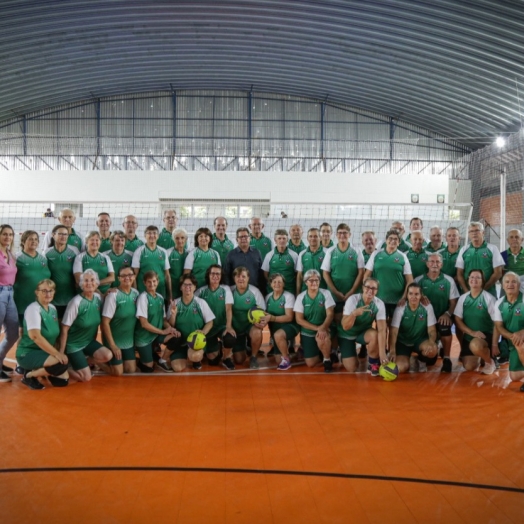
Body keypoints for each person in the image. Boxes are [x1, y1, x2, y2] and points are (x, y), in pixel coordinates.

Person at [59, 269, 113, 382]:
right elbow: (64, 329)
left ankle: (84, 360)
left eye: (92, 280)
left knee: (107, 355)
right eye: (86, 280)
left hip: (88, 342)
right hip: (74, 344)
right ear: (81, 284)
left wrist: (110, 292)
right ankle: (57, 368)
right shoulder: (76, 302)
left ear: (97, 283)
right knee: (86, 378)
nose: (89, 283)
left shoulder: (98, 298)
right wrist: (61, 353)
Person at [16, 279, 69, 389]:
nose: (48, 294)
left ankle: (40, 371)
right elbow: (35, 336)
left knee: (62, 381)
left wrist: (58, 352)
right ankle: (29, 376)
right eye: (44, 291)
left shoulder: (53, 309)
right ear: (37, 292)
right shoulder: (33, 309)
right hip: (27, 353)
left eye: (50, 290)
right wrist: (57, 354)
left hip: (43, 352)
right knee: (60, 363)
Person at [415, 253, 460, 373]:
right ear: (427, 263)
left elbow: (454, 302)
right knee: (429, 360)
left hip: (441, 317)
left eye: (437, 262)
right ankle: (428, 350)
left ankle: (446, 358)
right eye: (432, 261)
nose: (434, 264)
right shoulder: (418, 280)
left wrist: (448, 314)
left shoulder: (448, 280)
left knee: (445, 326)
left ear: (442, 264)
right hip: (423, 320)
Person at [166, 274, 215, 371]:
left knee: (194, 356)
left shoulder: (201, 303)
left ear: (194, 287)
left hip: (195, 342)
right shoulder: (175, 303)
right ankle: (183, 355)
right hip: (180, 342)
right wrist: (173, 314)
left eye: (190, 285)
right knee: (177, 368)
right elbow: (171, 326)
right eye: (185, 285)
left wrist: (203, 332)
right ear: (180, 287)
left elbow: (210, 322)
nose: (187, 287)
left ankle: (196, 360)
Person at [339, 277, 387, 374]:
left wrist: (382, 354)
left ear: (377, 291)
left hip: (363, 332)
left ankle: (373, 364)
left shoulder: (379, 304)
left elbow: (382, 329)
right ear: (363, 288)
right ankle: (346, 353)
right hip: (347, 334)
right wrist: (353, 314)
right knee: (352, 368)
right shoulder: (353, 300)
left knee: (375, 334)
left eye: (373, 288)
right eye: (367, 287)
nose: (370, 290)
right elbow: (345, 326)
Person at [454, 270, 498, 375]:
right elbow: (457, 319)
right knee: (469, 367)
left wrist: (495, 344)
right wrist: (472, 333)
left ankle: (489, 361)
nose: (474, 280)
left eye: (478, 277)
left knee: (476, 345)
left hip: (485, 336)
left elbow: (497, 323)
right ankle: (482, 356)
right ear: (468, 280)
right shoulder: (463, 298)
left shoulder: (489, 298)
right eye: (472, 277)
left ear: (482, 281)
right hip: (469, 336)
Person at [134, 270, 179, 373]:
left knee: (176, 336)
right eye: (149, 282)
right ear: (144, 283)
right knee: (148, 368)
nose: (152, 284)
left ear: (158, 282)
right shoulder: (143, 298)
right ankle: (140, 358)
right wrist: (163, 332)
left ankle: (161, 359)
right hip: (144, 337)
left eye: (154, 281)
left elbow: (163, 320)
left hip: (155, 335)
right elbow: (144, 324)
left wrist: (171, 329)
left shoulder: (159, 298)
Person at [364, 229, 413, 322]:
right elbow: (366, 276)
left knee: (393, 327)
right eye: (390, 238)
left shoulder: (403, 257)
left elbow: (410, 280)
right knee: (380, 327)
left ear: (399, 243)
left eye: (396, 239)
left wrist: (404, 297)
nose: (393, 241)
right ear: (386, 241)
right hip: (378, 298)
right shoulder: (376, 254)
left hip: (397, 300)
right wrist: (368, 293)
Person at [389, 282, 438, 373]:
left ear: (421, 295)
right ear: (407, 295)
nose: (413, 297)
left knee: (433, 350)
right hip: (403, 342)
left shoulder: (427, 307)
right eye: (410, 293)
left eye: (416, 294)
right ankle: (405, 357)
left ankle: (421, 360)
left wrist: (431, 343)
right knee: (401, 368)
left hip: (419, 341)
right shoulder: (400, 308)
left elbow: (432, 330)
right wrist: (392, 350)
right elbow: (393, 332)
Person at [294, 269, 335, 372]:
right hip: (308, 331)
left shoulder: (325, 294)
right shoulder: (301, 297)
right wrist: (317, 328)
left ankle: (327, 360)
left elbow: (330, 314)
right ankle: (322, 351)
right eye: (311, 280)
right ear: (305, 282)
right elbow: (299, 319)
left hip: (324, 328)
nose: (314, 283)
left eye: (316, 280)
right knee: (310, 363)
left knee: (322, 337)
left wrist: (323, 327)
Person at [195, 265, 236, 370]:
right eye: (212, 273)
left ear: (221, 276)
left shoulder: (225, 289)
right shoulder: (200, 292)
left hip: (221, 326)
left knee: (229, 338)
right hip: (207, 329)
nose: (215, 276)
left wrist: (228, 326)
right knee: (213, 361)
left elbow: (228, 309)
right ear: (208, 275)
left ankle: (226, 358)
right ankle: (216, 347)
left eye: (218, 274)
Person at [101, 267, 140, 375]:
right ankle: (95, 360)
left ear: (134, 277)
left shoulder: (136, 294)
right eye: (123, 276)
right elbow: (105, 322)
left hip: (128, 342)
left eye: (130, 275)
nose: (127, 278)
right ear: (119, 278)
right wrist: (113, 345)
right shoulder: (113, 295)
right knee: (118, 372)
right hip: (114, 341)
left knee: (131, 369)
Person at [321, 223, 364, 316]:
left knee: (352, 318)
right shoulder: (330, 251)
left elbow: (361, 272)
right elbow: (325, 273)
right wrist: (335, 292)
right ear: (336, 235)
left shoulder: (357, 250)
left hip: (353, 294)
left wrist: (352, 291)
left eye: (345, 233)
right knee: (336, 319)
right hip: (335, 294)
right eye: (340, 233)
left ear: (349, 235)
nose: (342, 235)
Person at [230, 266, 267, 368]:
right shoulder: (230, 291)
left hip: (250, 326)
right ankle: (244, 347)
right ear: (234, 278)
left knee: (257, 331)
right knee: (239, 360)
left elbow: (263, 312)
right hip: (236, 328)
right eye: (238, 276)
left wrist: (260, 322)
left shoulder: (255, 292)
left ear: (248, 278)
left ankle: (254, 357)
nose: (240, 279)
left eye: (243, 276)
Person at [456, 221, 504, 298]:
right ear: (468, 234)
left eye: (477, 230)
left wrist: (483, 290)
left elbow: (498, 273)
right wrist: (466, 291)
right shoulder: (463, 250)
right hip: (468, 293)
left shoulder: (493, 249)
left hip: (488, 293)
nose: (474, 233)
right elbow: (459, 273)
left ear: (483, 233)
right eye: (471, 231)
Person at [494, 272, 524, 392]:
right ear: (502, 285)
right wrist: (513, 336)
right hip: (514, 342)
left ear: (519, 284)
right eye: (507, 282)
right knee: (514, 377)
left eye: (514, 282)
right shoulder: (499, 303)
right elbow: (499, 327)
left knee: (520, 344)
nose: (510, 284)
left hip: (521, 340)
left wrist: (521, 333)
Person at [14, 230, 51, 325]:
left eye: (36, 239)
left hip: (40, 301)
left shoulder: (43, 258)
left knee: (40, 331)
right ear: (23, 241)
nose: (34, 241)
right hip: (23, 301)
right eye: (30, 239)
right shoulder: (17, 257)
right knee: (23, 332)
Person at [264, 273, 299, 370]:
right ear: (271, 284)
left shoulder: (288, 296)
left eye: (280, 282)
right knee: (277, 360)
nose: (277, 284)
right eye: (274, 282)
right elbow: (265, 315)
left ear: (284, 284)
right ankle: (291, 354)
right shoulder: (268, 297)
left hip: (290, 326)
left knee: (278, 335)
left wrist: (272, 318)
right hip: (276, 330)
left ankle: (287, 359)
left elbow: (289, 317)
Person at [44, 225, 79, 319]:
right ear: (53, 235)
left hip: (70, 296)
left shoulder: (74, 251)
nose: (63, 236)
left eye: (65, 234)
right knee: (56, 327)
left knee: (69, 326)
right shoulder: (47, 252)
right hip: (53, 297)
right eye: (60, 234)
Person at [132, 225, 171, 302]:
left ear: (158, 236)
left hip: (160, 290)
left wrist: (170, 295)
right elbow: (134, 276)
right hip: (143, 291)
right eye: (149, 233)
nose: (152, 235)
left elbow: (167, 275)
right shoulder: (139, 251)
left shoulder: (163, 252)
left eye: (154, 233)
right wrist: (135, 294)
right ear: (145, 236)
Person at [0, 224, 19, 382]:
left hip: (10, 294)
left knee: (13, 333)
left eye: (10, 234)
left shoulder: (11, 255)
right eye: (4, 234)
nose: (8, 237)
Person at [262, 229, 298, 294]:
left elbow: (297, 273)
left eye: (284, 238)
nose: (282, 240)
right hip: (273, 290)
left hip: (289, 290)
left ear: (287, 240)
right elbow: (265, 273)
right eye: (279, 238)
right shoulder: (269, 255)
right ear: (275, 240)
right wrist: (274, 284)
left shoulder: (294, 255)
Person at [296, 227, 326, 294]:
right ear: (307, 238)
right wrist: (298, 293)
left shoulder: (326, 253)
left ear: (320, 238)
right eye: (310, 236)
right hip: (305, 291)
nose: (313, 238)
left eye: (315, 236)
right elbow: (299, 275)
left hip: (322, 290)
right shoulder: (302, 254)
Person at [167, 227, 189, 300]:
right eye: (177, 238)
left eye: (182, 238)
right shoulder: (168, 253)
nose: (180, 241)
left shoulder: (189, 254)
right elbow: (166, 274)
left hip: (186, 290)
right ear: (173, 239)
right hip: (172, 290)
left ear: (186, 239)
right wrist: (170, 295)